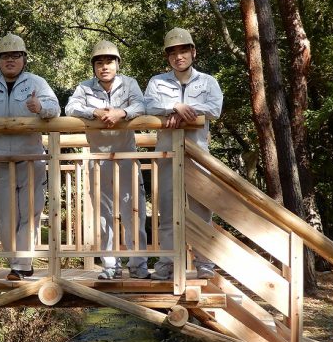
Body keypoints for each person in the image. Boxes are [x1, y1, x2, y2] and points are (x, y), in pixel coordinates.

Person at [0, 33, 60, 280]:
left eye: (16, 55)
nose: (10, 60)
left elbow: (55, 108)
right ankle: (18, 262)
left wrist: (41, 109)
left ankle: (20, 265)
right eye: (5, 56)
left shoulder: (36, 82)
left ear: (24, 59)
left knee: (31, 213)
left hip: (31, 158)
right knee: (4, 218)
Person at [65, 40, 150, 280]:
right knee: (104, 215)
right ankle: (110, 266)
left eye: (109, 62)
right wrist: (96, 112)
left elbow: (141, 105)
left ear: (117, 64)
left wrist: (121, 113)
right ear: (94, 67)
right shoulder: (84, 88)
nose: (104, 67)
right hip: (98, 158)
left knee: (134, 211)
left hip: (126, 157)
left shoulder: (130, 84)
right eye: (99, 62)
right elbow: (70, 107)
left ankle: (138, 264)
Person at [144, 27, 223, 280]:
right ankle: (167, 263)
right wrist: (173, 106)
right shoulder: (157, 82)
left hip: (197, 155)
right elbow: (148, 106)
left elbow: (214, 109)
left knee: (201, 211)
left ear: (193, 52)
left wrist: (183, 111)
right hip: (167, 154)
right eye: (173, 52)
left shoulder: (208, 81)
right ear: (168, 57)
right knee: (167, 209)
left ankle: (205, 264)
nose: (179, 56)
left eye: (183, 50)